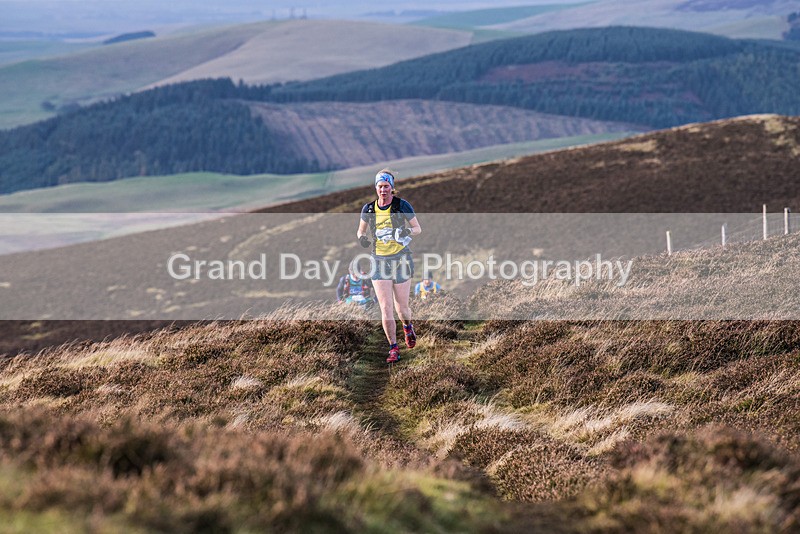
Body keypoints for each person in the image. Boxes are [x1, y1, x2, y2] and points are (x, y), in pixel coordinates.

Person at [357, 169, 421, 363]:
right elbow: (360, 232)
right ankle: (393, 348)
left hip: (401, 259)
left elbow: (418, 229)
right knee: (385, 308)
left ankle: (408, 327)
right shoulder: (368, 209)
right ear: (376, 188)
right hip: (379, 261)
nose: (383, 190)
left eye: (386, 186)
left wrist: (405, 230)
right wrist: (363, 241)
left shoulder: (402, 205)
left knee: (402, 308)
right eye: (380, 186)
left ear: (392, 187)